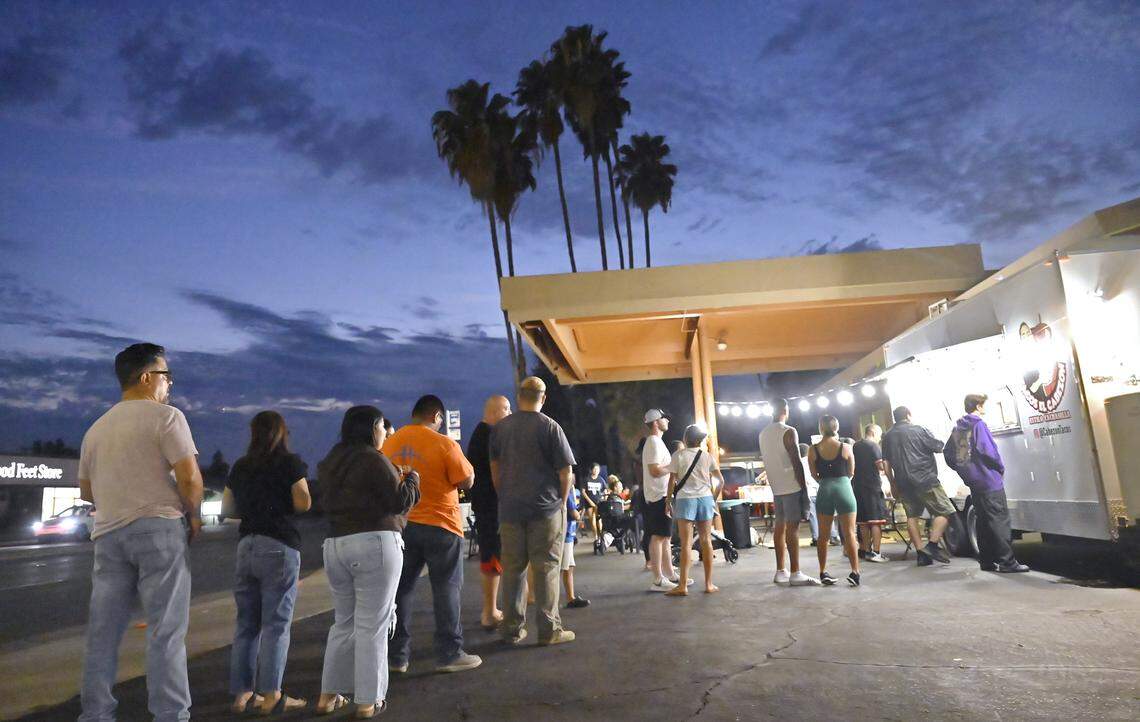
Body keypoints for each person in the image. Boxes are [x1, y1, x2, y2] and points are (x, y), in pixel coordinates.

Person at [77, 343, 201, 722]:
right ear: (146, 377)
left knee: (103, 634)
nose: (169, 384)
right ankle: (169, 714)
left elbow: (86, 491)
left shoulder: (95, 429)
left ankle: (95, 713)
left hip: (109, 535)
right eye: (166, 376)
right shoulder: (166, 417)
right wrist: (192, 515)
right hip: (158, 528)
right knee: (165, 631)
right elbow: (189, 477)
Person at [317, 405, 419, 718]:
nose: (383, 433)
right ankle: (367, 701)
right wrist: (413, 478)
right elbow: (399, 500)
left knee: (344, 623)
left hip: (335, 545)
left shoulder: (330, 462)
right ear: (370, 428)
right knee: (373, 625)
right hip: (374, 543)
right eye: (380, 427)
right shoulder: (372, 458)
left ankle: (328, 696)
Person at [223, 411, 312, 714]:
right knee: (276, 624)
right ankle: (272, 694)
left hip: (246, 544)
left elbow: (227, 508)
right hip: (278, 544)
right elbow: (303, 501)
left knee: (246, 624)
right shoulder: (289, 463)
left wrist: (254, 506)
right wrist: (280, 504)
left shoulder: (240, 466)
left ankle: (242, 695)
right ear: (282, 433)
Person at [384, 395, 480, 673]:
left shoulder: (391, 442)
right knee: (446, 587)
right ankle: (450, 653)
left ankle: (397, 656)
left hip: (403, 525)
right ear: (436, 415)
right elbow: (466, 479)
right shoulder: (444, 443)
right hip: (441, 525)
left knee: (401, 589)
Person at [490, 376, 577, 646]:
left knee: (513, 569)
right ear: (544, 397)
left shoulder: (500, 429)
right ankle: (549, 630)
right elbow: (566, 473)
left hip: (511, 509)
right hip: (546, 509)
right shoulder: (551, 427)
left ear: (519, 397)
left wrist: (504, 495)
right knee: (546, 568)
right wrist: (562, 503)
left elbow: (495, 470)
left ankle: (512, 629)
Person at [945, 394, 1029, 573]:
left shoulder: (959, 427)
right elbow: (988, 451)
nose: (985, 408)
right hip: (989, 480)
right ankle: (1007, 562)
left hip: (974, 483)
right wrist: (999, 468)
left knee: (982, 521)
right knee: (998, 521)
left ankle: (987, 561)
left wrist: (964, 470)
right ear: (978, 406)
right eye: (983, 405)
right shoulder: (978, 425)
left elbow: (948, 454)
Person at [881, 406, 955, 566]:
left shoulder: (887, 436)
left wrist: (892, 483)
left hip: (903, 482)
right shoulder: (919, 429)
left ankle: (922, 554)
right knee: (946, 511)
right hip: (926, 479)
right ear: (908, 415)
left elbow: (886, 464)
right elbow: (938, 447)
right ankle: (933, 545)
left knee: (912, 517)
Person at [758, 399, 819, 586]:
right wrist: (804, 486)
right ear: (785, 410)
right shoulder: (788, 431)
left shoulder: (763, 433)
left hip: (776, 486)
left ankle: (780, 570)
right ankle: (795, 572)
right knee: (792, 528)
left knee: (780, 527)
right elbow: (796, 461)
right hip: (792, 484)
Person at [466, 395, 512, 631]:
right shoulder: (489, 437)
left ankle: (492, 609)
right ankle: (490, 611)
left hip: (486, 507)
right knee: (492, 557)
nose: (510, 413)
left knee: (492, 556)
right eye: (507, 408)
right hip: (491, 508)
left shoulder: (480, 435)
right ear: (495, 411)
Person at [663, 424, 725, 595]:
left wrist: (668, 501)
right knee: (706, 540)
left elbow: (671, 481)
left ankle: (682, 586)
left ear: (685, 439)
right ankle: (709, 584)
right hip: (705, 499)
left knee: (686, 544)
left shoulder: (678, 455)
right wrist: (712, 498)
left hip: (685, 500)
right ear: (700, 440)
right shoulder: (707, 457)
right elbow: (721, 481)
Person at [808, 416, 862, 586]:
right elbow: (852, 471)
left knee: (823, 536)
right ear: (836, 427)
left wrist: (825, 482)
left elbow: (813, 474)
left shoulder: (813, 449)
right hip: (844, 487)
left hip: (824, 488)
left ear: (820, 428)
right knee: (850, 534)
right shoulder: (846, 447)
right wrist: (842, 480)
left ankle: (823, 572)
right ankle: (855, 572)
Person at [642, 409, 682, 591]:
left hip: (661, 495)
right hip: (658, 495)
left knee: (665, 536)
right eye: (664, 418)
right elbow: (654, 470)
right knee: (659, 536)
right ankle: (658, 579)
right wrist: (673, 467)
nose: (667, 420)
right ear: (656, 422)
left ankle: (669, 574)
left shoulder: (656, 442)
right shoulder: (653, 442)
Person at [852, 424, 889, 563]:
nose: (879, 438)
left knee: (863, 522)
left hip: (857, 486)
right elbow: (880, 466)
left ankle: (866, 551)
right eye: (879, 435)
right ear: (873, 432)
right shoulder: (873, 446)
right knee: (875, 521)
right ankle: (876, 552)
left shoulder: (856, 446)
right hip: (872, 486)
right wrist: (888, 470)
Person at [803, 443, 840, 547]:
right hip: (822, 489)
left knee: (813, 516)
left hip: (809, 492)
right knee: (828, 514)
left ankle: (816, 538)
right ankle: (833, 536)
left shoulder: (800, 462)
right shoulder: (816, 458)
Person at [562, 485, 590, 608]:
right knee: (564, 567)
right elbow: (574, 513)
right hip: (566, 532)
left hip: (568, 532)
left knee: (569, 566)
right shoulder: (565, 489)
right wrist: (578, 514)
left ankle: (571, 597)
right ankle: (568, 598)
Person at [578, 462, 604, 539]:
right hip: (589, 502)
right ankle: (595, 535)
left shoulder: (601, 479)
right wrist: (590, 502)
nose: (596, 471)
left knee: (599, 519)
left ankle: (601, 535)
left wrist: (603, 497)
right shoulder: (587, 479)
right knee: (592, 519)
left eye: (598, 469)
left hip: (598, 502)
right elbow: (583, 491)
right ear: (591, 470)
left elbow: (605, 490)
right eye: (595, 469)